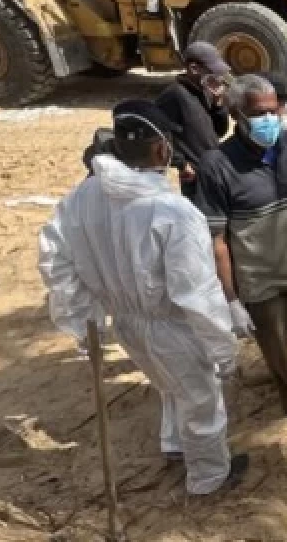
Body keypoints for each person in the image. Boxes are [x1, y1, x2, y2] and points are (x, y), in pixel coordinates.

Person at [39, 100, 247, 495]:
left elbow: (56, 261)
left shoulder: (82, 197)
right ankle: (208, 478)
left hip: (127, 323)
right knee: (201, 402)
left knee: (168, 385)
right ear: (161, 149)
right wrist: (223, 348)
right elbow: (196, 294)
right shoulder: (173, 212)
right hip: (171, 325)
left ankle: (173, 444)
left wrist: (86, 321)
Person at [198, 75, 287, 431]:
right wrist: (231, 299)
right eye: (259, 113)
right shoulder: (217, 165)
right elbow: (217, 240)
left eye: (273, 109)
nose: (270, 118)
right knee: (276, 347)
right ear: (237, 114)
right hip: (260, 280)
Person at [154, 42, 230, 199]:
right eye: (212, 71)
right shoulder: (173, 96)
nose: (217, 77)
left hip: (213, 166)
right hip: (194, 173)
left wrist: (218, 104)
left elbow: (219, 131)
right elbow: (159, 136)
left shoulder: (207, 92)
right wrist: (180, 163)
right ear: (194, 69)